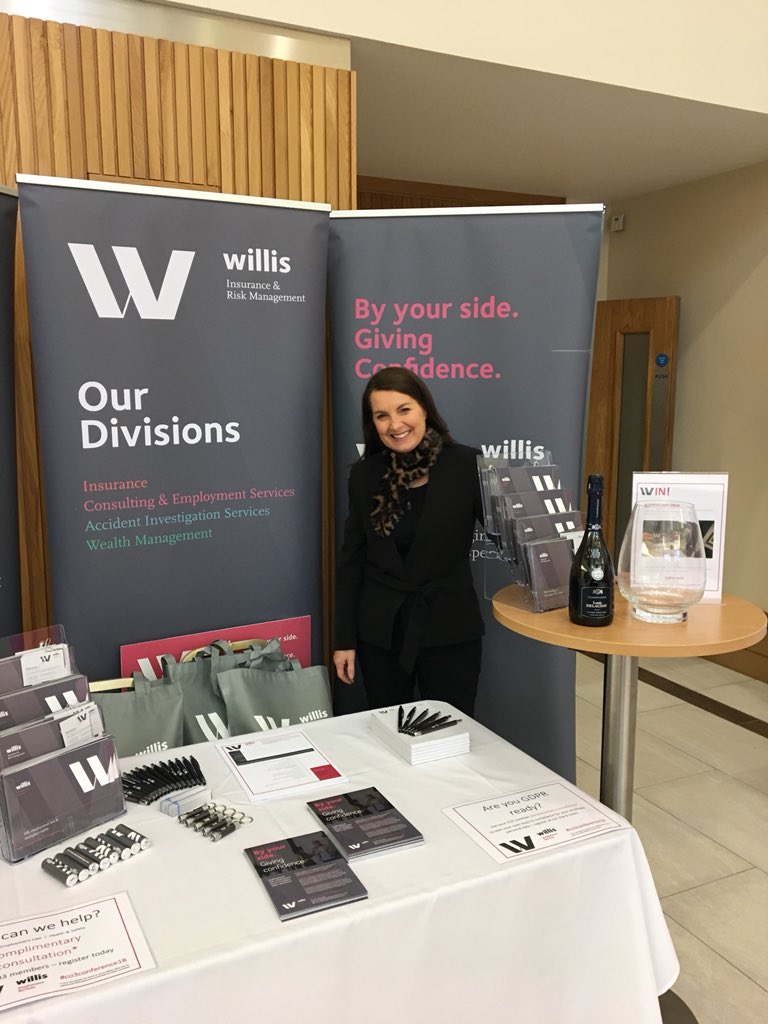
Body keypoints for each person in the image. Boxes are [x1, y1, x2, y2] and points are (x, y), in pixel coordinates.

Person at [333, 367, 484, 716]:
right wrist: (344, 640)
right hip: (381, 632)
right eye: (382, 415)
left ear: (424, 409)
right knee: (389, 731)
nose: (395, 424)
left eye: (404, 410)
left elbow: (506, 534)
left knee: (451, 730)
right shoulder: (364, 475)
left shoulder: (467, 465)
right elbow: (352, 562)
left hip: (449, 626)